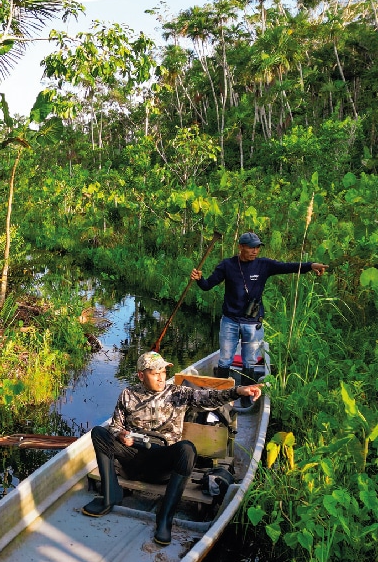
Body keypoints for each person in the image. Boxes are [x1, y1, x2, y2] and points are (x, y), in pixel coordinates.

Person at [82, 351, 261, 546]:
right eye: (154, 373)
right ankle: (110, 496)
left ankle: (165, 518)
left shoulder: (177, 394)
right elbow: (115, 426)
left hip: (162, 464)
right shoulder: (127, 395)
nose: (161, 377)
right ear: (141, 375)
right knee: (99, 432)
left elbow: (210, 397)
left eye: (163, 372)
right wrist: (121, 435)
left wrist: (239, 391)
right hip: (132, 459)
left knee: (187, 449)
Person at [190, 232, 327, 387]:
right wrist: (199, 279)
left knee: (249, 360)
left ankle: (247, 394)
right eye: (251, 247)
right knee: (225, 358)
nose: (255, 251)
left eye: (257, 247)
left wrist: (310, 266)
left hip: (253, 322)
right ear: (241, 247)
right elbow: (208, 285)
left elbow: (288, 267)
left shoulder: (264, 265)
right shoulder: (227, 265)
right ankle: (220, 393)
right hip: (230, 320)